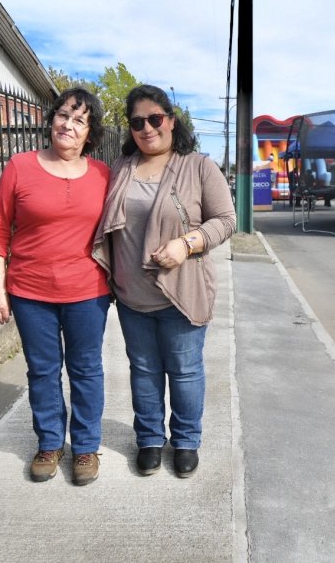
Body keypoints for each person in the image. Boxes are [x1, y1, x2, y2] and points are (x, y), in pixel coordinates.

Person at [93, 84, 236, 479]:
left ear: (171, 121)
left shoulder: (198, 166)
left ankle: (187, 440)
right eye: (137, 122)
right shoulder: (122, 168)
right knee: (143, 370)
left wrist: (187, 244)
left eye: (155, 118)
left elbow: (226, 221)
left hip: (181, 291)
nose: (147, 128)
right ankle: (150, 439)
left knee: (185, 370)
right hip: (131, 295)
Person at [0, 87, 111, 486]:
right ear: (50, 119)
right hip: (31, 290)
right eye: (62, 115)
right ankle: (50, 443)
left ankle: (86, 447)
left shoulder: (104, 175)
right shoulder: (20, 166)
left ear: (90, 133)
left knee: (86, 369)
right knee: (42, 370)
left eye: (78, 120)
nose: (67, 125)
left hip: (88, 290)